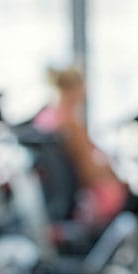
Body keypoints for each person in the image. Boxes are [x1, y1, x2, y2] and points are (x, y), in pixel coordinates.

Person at [32, 64, 128, 227]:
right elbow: (87, 172)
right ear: (76, 89)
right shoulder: (70, 124)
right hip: (83, 200)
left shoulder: (45, 117)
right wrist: (118, 181)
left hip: (52, 200)